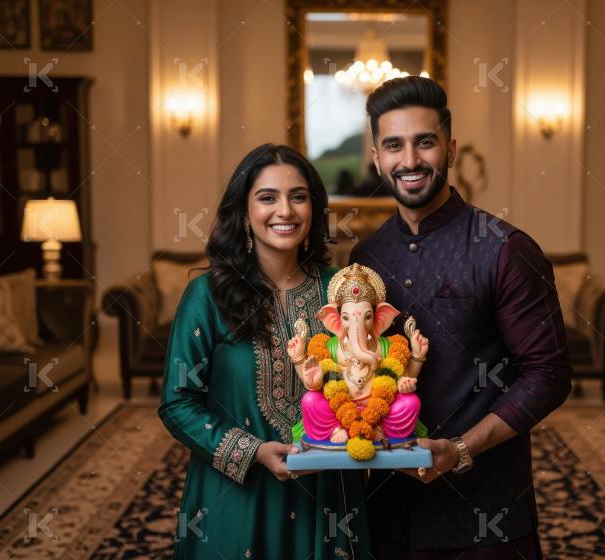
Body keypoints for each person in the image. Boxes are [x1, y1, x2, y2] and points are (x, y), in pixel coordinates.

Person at [349, 77, 573, 559]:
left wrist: (463, 449)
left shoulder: (504, 249)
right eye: (393, 145)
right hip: (386, 512)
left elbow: (549, 375)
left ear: (450, 149)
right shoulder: (365, 255)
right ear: (376, 157)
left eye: (424, 142)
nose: (409, 161)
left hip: (485, 515)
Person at [159, 144, 370, 559]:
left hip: (328, 488)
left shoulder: (342, 290)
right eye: (267, 197)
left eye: (299, 196)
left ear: (314, 210)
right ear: (243, 213)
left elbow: (368, 380)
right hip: (235, 491)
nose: (285, 211)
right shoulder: (206, 295)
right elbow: (177, 402)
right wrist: (252, 451)